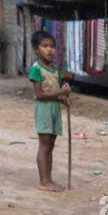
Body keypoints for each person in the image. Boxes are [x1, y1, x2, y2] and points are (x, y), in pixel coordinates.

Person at [29, 30, 70, 192]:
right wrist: (60, 93)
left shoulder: (54, 69)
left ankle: (48, 178)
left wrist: (64, 99)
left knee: (51, 145)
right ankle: (44, 181)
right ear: (36, 49)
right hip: (44, 110)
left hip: (54, 109)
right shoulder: (36, 69)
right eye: (45, 46)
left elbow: (56, 89)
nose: (49, 50)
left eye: (52, 46)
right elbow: (39, 95)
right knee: (44, 145)